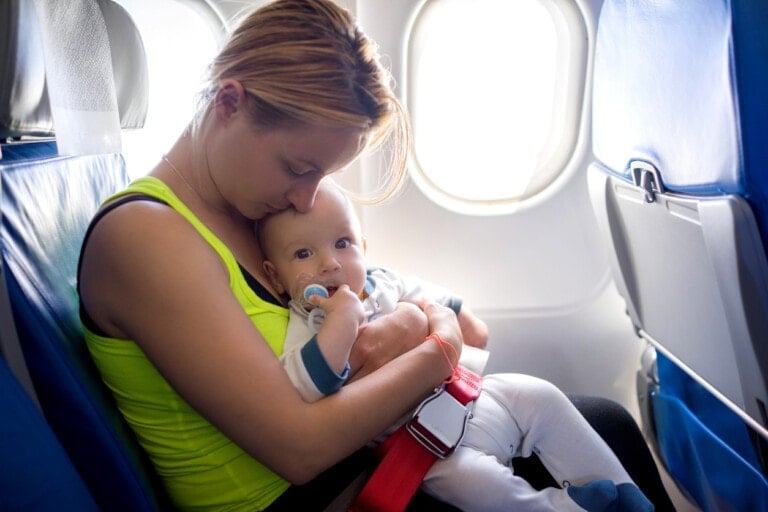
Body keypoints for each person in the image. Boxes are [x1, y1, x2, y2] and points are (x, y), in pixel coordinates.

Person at [77, 1, 674, 510]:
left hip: (372, 456)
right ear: (229, 103)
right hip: (320, 493)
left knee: (596, 417)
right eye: (297, 167)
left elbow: (416, 308)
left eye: (324, 176)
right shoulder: (145, 239)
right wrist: (438, 348)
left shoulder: (251, 206)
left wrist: (426, 320)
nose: (307, 198)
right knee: (604, 430)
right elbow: (300, 449)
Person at [258, 181, 655, 512]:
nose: (330, 263)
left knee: (538, 394)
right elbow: (306, 386)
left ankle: (625, 493)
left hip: (469, 394)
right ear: (276, 277)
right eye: (304, 253)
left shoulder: (383, 282)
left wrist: (444, 315)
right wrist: (342, 322)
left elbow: (443, 304)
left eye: (343, 243)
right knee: (476, 485)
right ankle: (565, 506)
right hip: (419, 444)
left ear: (363, 246)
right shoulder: (305, 324)